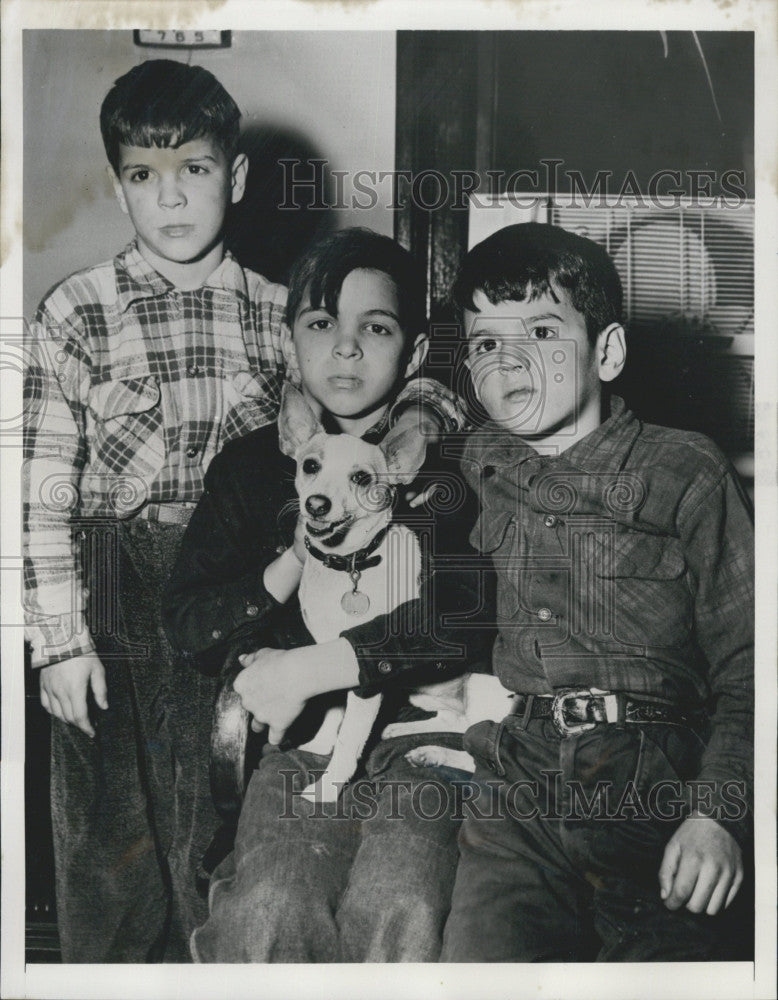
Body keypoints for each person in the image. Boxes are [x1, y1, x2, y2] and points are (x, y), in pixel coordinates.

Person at [23, 60, 464, 963]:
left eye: (196, 170)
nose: (171, 199)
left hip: (237, 586)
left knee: (209, 821)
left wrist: (425, 406)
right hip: (109, 585)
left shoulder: (281, 310)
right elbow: (37, 490)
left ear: (240, 178)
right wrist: (58, 642)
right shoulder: (76, 309)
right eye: (145, 176)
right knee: (105, 839)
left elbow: (399, 366)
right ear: (118, 187)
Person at [163, 227, 494, 962]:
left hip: (426, 746)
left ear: (412, 353)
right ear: (290, 341)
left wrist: (321, 665)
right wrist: (278, 582)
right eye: (321, 325)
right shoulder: (249, 470)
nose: (345, 349)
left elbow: (469, 612)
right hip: (305, 746)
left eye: (374, 328)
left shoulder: (446, 467)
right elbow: (189, 621)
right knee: (273, 903)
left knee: (403, 900)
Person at [439, 222, 753, 962]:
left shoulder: (686, 470)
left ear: (606, 351)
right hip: (519, 785)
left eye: (544, 331)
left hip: (658, 781)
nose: (510, 358)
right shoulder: (482, 460)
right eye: (486, 343)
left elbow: (753, 661)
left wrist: (721, 815)